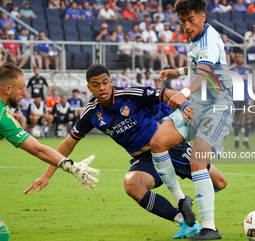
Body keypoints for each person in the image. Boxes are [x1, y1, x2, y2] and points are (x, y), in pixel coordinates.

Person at [24, 64, 228, 240]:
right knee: (132, 184)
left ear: (110, 81)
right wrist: (46, 175)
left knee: (220, 182)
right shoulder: (91, 113)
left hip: (169, 148)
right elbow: (67, 144)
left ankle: (195, 200)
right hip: (144, 159)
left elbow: (164, 93)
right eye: (96, 85)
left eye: (105, 82)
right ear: (89, 87)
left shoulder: (129, 95)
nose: (102, 88)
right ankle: (185, 220)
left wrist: (184, 105)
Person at [150, 0, 233, 240]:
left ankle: (209, 228)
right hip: (196, 104)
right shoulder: (196, 39)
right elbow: (197, 64)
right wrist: (177, 71)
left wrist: (183, 92)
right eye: (183, 20)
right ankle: (182, 202)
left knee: (197, 161)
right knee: (157, 143)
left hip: (216, 106)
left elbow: (206, 71)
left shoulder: (210, 39)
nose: (186, 26)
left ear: (203, 16)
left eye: (191, 19)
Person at [0, 62, 99, 241]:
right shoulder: (2, 116)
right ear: (7, 89)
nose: (25, 93)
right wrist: (71, 167)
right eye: (22, 88)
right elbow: (38, 149)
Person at [230, 52, 252, 149]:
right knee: (237, 118)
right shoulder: (231, 70)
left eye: (241, 57)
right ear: (235, 59)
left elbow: (251, 82)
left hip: (246, 96)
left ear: (243, 59)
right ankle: (237, 139)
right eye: (237, 57)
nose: (239, 59)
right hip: (236, 97)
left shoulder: (249, 70)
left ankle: (246, 140)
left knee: (247, 114)